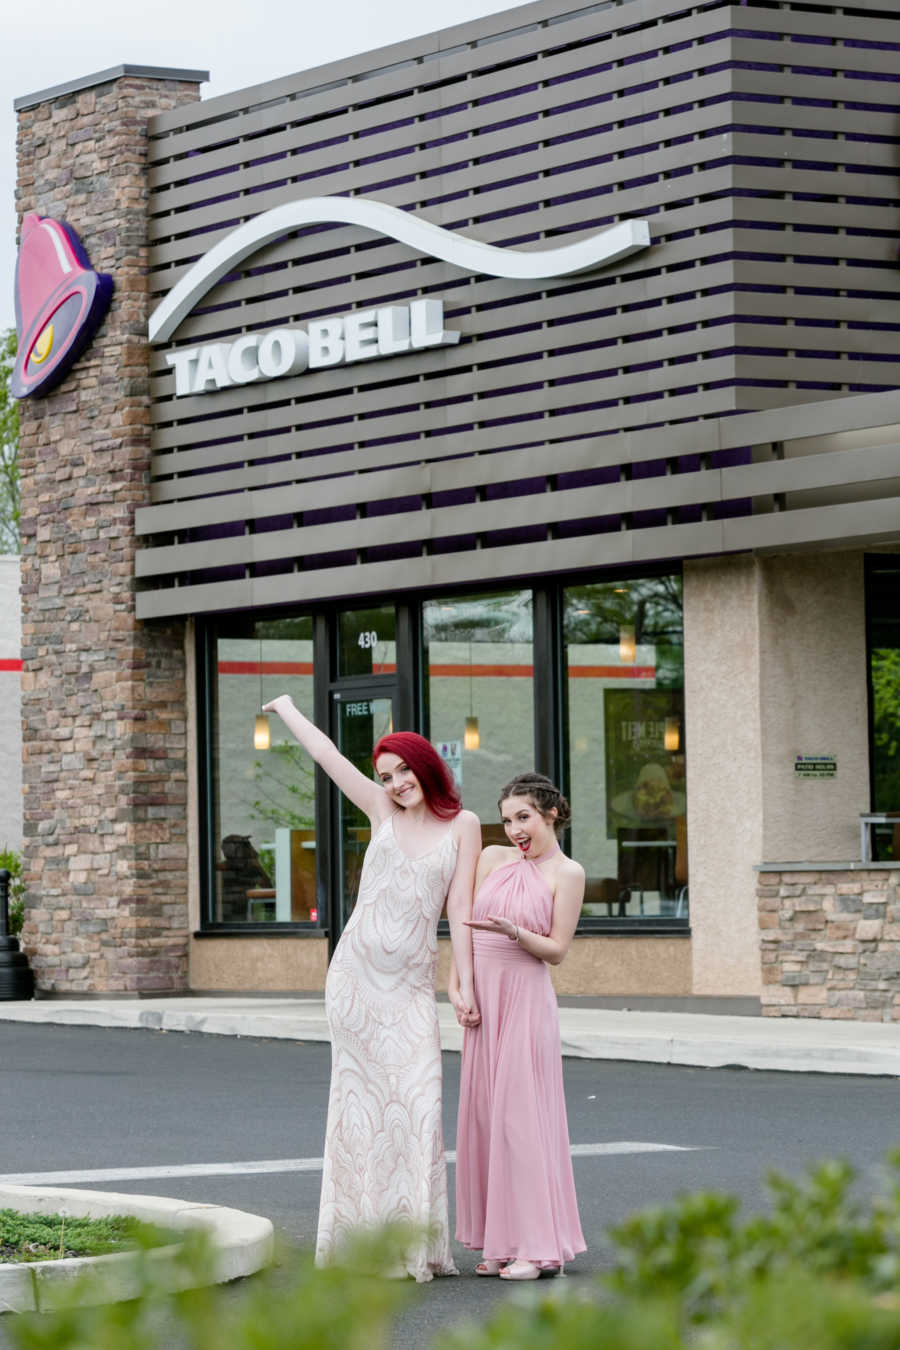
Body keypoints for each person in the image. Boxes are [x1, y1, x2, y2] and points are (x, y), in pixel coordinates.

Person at [262, 695, 481, 1281]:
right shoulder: (381, 810)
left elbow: (460, 910)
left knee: (418, 1107)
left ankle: (416, 1243)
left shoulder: (464, 826)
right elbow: (326, 754)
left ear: (425, 765)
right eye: (387, 775)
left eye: (404, 770)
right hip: (355, 980)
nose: (396, 782)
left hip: (410, 987)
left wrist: (462, 983)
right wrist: (285, 708)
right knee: (358, 1111)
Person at [451, 771, 586, 1280]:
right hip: (483, 1002)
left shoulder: (567, 873)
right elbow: (461, 923)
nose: (514, 829)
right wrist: (458, 986)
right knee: (487, 1120)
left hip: (525, 1002)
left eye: (523, 817)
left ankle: (537, 1247)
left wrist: (516, 931)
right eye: (507, 820)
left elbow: (556, 951)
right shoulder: (491, 858)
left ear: (551, 813)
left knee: (520, 1122)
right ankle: (502, 1241)